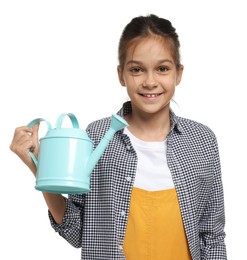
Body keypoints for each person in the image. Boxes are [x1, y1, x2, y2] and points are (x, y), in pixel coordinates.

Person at [10, 14, 227, 259]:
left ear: (178, 73)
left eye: (162, 69)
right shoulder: (95, 137)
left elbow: (212, 236)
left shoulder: (202, 141)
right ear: (121, 75)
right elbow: (77, 232)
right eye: (137, 69)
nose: (150, 81)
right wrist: (42, 171)